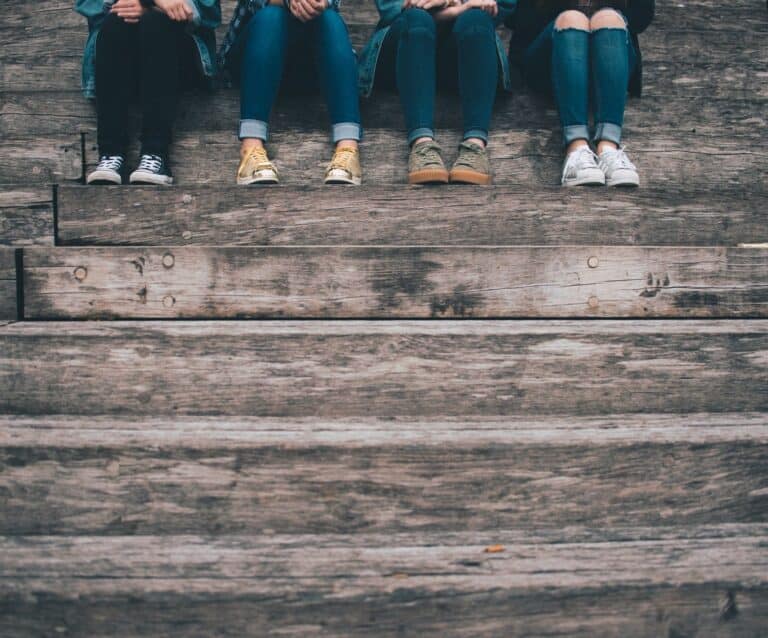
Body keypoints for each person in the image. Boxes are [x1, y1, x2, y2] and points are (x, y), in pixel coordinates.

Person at [359, 0, 517, 185]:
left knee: (476, 19)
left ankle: (475, 145)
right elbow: (393, 8)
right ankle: (422, 143)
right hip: (406, 46)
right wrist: (456, 7)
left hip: (463, 45)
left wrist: (455, 6)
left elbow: (500, 5)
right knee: (416, 18)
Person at [508, 0, 655, 186]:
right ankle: (576, 149)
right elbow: (515, 18)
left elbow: (641, 18)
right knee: (572, 17)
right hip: (551, 59)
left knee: (608, 16)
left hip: (609, 59)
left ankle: (609, 149)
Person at [77, 0, 221, 185]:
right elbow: (89, 4)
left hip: (176, 56)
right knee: (116, 22)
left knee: (156, 22)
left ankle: (155, 153)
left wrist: (154, 8)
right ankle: (111, 153)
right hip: (121, 49)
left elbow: (210, 12)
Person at [219, 0, 363, 186]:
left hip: (309, 64)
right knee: (271, 16)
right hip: (256, 58)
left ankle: (348, 148)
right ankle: (251, 149)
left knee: (329, 19)